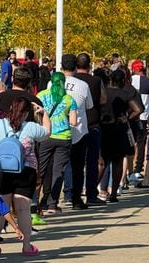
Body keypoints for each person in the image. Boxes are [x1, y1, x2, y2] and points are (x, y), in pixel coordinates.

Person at [0, 97, 51, 256]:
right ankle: (26, 246)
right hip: (26, 171)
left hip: (1, 171)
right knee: (23, 210)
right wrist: (44, 114)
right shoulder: (30, 127)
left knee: (1, 210)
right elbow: (47, 133)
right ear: (26, 114)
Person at [37, 71, 78, 213]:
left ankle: (36, 202)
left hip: (45, 136)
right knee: (58, 171)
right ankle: (52, 204)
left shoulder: (41, 96)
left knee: (41, 170)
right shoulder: (69, 99)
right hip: (63, 137)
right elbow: (73, 121)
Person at [99, 69, 142, 202]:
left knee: (102, 161)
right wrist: (127, 118)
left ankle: (94, 189)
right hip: (119, 128)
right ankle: (113, 193)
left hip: (105, 127)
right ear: (123, 80)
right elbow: (139, 109)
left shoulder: (104, 92)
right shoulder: (125, 94)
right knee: (117, 162)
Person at [74, 52, 107, 206]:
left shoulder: (71, 82)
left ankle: (72, 193)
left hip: (75, 124)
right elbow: (103, 99)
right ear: (88, 65)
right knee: (92, 161)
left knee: (74, 162)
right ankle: (91, 194)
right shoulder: (96, 81)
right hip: (93, 122)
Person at [62, 54, 93, 209]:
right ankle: (75, 198)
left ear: (61, 67)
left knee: (59, 166)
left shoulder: (51, 84)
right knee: (78, 166)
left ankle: (58, 196)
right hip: (78, 129)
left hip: (58, 130)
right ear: (75, 67)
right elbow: (89, 106)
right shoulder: (83, 85)